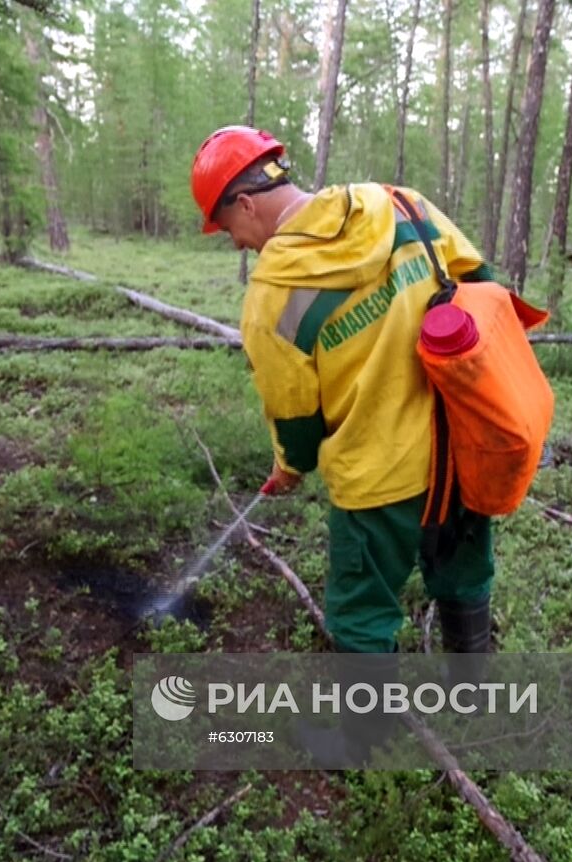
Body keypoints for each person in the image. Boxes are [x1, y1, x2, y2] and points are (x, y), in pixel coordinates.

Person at [189, 125, 496, 658]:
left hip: (377, 480)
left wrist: (289, 466)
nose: (234, 241)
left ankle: (366, 739)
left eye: (225, 226)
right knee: (463, 574)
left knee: (361, 616)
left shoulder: (269, 299)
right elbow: (483, 285)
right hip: (458, 448)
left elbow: (297, 423)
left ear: (246, 203)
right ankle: (473, 696)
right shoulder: (401, 205)